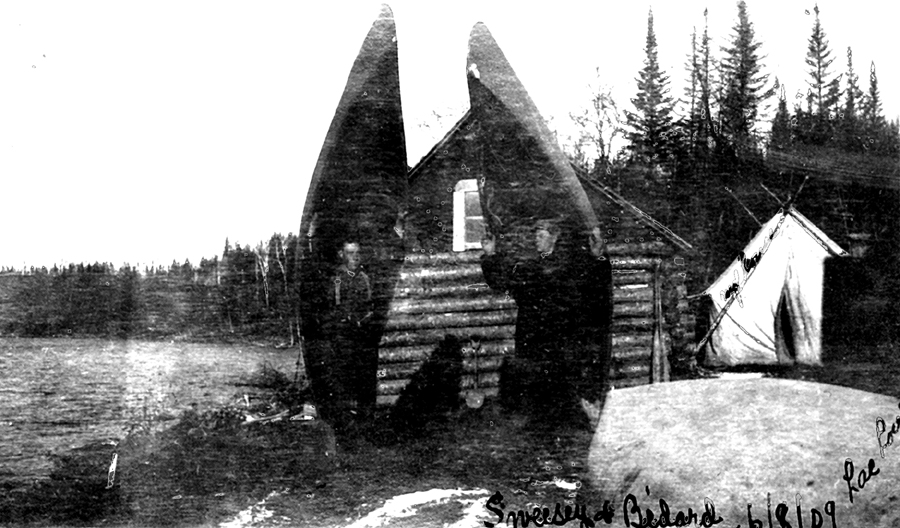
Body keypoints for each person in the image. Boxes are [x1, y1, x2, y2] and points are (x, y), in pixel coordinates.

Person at [481, 219, 612, 428]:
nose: (536, 240)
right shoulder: (527, 267)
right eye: (535, 236)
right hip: (532, 337)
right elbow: (501, 282)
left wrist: (599, 257)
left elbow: (595, 283)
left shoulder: (569, 267)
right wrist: (490, 255)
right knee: (535, 388)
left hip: (559, 338)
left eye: (541, 236)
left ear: (554, 237)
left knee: (561, 388)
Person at [309, 240, 374, 430]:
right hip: (340, 337)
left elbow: (370, 305)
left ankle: (363, 421)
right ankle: (342, 420)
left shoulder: (364, 278)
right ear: (341, 255)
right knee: (340, 378)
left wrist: (363, 321)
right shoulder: (335, 279)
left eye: (357, 253)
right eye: (350, 253)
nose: (354, 257)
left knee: (362, 378)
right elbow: (329, 307)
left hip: (360, 336)